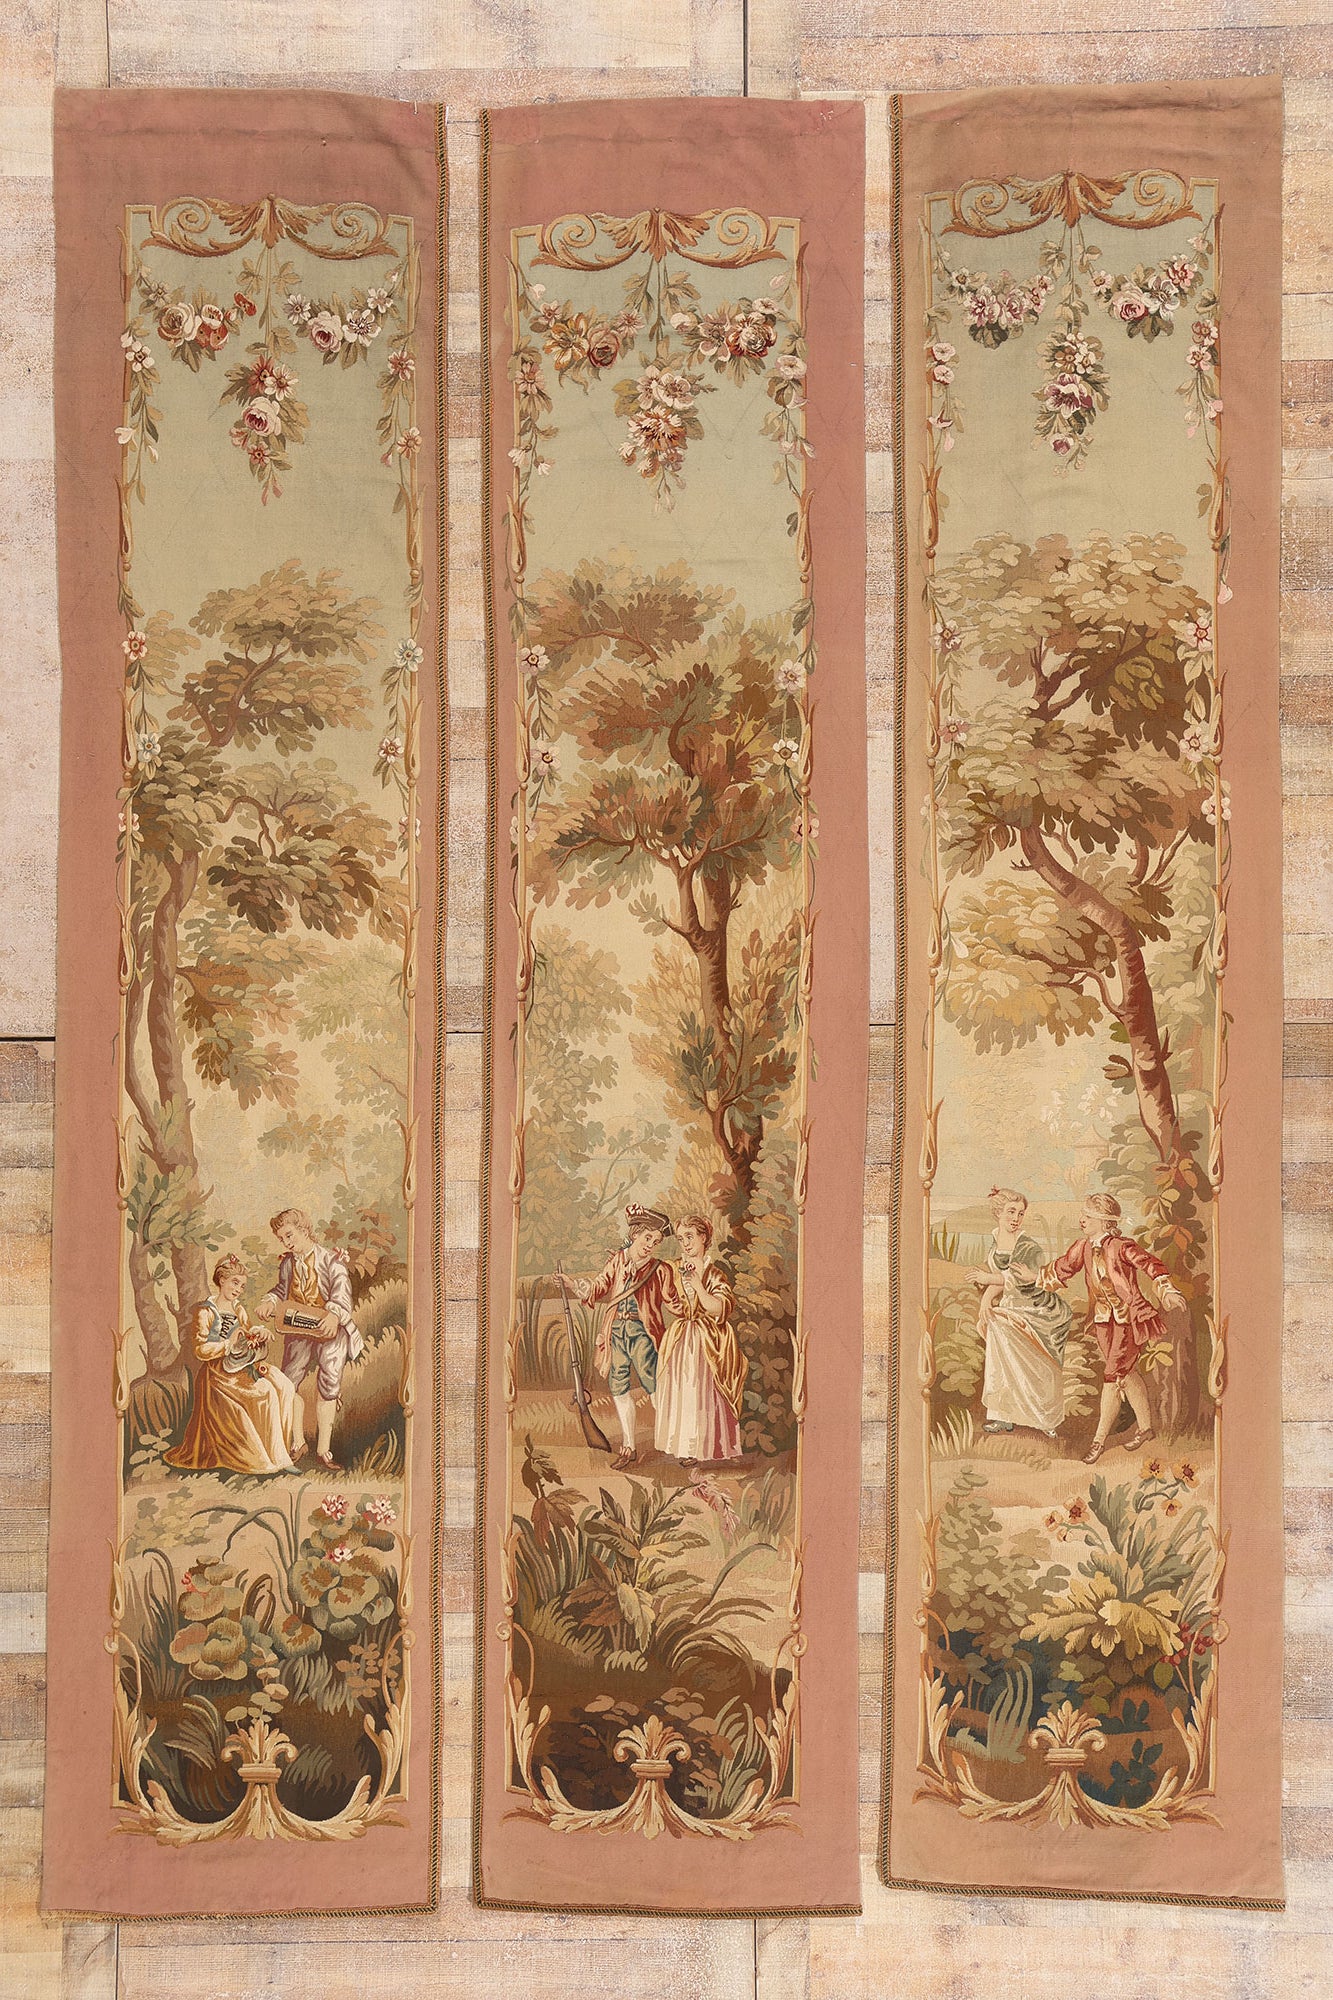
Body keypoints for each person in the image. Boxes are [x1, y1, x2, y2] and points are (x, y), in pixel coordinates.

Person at [1014, 1191, 1185, 1464]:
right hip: (1104, 1321)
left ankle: (1098, 1441)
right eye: (1083, 1215)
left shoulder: (1122, 1246)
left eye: (1088, 1216)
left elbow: (1149, 1263)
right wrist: (1034, 1276)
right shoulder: (1082, 1247)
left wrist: (1166, 1289)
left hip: (1128, 1319)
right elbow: (1063, 1268)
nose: (1082, 1219)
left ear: (1105, 1221)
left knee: (1112, 1377)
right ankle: (1146, 1429)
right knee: (1125, 1375)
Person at [165, 1254, 302, 1476]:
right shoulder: (205, 1311)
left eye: (242, 1286)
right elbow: (200, 1350)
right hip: (217, 1374)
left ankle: (281, 1453)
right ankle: (270, 1458)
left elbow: (246, 1335)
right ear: (222, 1280)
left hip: (240, 1365)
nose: (238, 1289)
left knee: (284, 1385)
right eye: (234, 1283)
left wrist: (257, 1333)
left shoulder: (238, 1309)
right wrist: (227, 1345)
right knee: (266, 1392)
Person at [254, 1207, 363, 1471]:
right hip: (299, 1328)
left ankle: (324, 1451)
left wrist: (333, 1315)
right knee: (288, 1382)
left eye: (289, 1235)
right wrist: (270, 1301)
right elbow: (282, 1290)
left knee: (329, 1383)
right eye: (282, 1239)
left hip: (330, 1328)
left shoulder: (331, 1260)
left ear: (304, 1230)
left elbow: (341, 1294)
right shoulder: (287, 1263)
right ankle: (298, 1442)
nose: (286, 1242)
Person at [965, 1187, 1070, 1440]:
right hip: (1011, 1306)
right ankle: (1003, 1415)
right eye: (1011, 1212)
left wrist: (987, 1279)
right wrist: (985, 1303)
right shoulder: (995, 1244)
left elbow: (1018, 1279)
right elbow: (999, 1281)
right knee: (1000, 1349)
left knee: (1038, 1364)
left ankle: (1044, 1419)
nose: (1016, 1218)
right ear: (998, 1212)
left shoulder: (1029, 1247)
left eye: (1020, 1213)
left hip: (1036, 1309)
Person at [574, 1204, 674, 1468]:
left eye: (656, 1241)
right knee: (619, 1388)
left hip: (644, 1334)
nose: (651, 1245)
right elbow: (600, 1286)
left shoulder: (660, 1269)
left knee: (655, 1386)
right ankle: (629, 1446)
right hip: (615, 1332)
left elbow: (674, 1303)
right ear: (635, 1234)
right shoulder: (617, 1261)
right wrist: (575, 1285)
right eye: (647, 1238)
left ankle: (675, 1441)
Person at [655, 1215, 748, 1466]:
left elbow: (719, 1308)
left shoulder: (714, 1274)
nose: (685, 1243)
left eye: (690, 1236)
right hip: (681, 1338)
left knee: (704, 1393)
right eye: (680, 1238)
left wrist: (697, 1285)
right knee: (684, 1391)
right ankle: (686, 1447)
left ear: (703, 1237)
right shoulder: (673, 1270)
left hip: (709, 1340)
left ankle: (709, 1447)